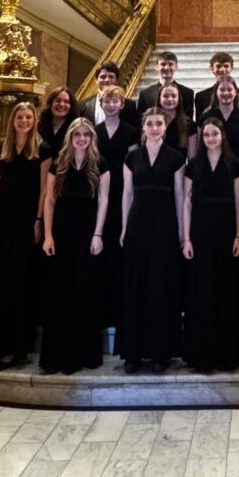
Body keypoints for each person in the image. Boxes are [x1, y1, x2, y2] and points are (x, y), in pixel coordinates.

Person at [0, 102, 51, 370]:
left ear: (34, 120)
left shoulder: (43, 149)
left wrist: (38, 220)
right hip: (1, 219)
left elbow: (43, 190)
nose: (24, 121)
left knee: (19, 283)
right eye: (20, 117)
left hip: (26, 220)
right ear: (13, 120)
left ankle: (15, 348)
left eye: (28, 117)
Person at [117, 109, 186, 373]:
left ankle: (161, 353)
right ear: (143, 128)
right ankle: (133, 353)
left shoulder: (176, 158)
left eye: (159, 124)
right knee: (136, 286)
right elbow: (126, 195)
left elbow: (180, 197)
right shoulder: (132, 157)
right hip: (137, 225)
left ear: (165, 128)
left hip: (165, 226)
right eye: (150, 124)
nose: (155, 127)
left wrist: (182, 231)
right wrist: (124, 227)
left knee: (160, 287)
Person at [40, 119, 109, 374]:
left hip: (88, 234)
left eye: (86, 135)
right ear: (70, 137)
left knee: (84, 291)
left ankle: (83, 354)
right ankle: (57, 355)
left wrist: (98, 234)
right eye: (77, 134)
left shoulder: (100, 164)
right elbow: (49, 201)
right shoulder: (59, 165)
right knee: (61, 291)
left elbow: (104, 201)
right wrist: (48, 235)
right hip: (62, 234)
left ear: (91, 138)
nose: (81, 138)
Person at [181, 118, 239, 372]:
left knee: (226, 290)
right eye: (206, 134)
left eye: (214, 134)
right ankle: (201, 355)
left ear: (222, 136)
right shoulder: (193, 166)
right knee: (202, 291)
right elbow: (186, 203)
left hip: (227, 232)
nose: (210, 138)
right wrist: (186, 238)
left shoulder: (235, 164)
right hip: (200, 233)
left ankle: (226, 355)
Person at [96, 85, 138, 326]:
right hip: (100, 190)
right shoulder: (95, 131)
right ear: (101, 104)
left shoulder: (131, 132)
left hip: (123, 189)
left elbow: (131, 164)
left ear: (122, 105)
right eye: (107, 101)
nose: (111, 105)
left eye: (115, 101)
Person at [197, 76, 239, 164]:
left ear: (236, 92)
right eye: (222, 90)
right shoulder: (204, 118)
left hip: (238, 171)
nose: (226, 93)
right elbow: (200, 150)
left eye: (230, 89)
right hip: (210, 170)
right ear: (216, 92)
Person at [79, 60, 140, 131]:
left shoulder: (129, 106)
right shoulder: (82, 106)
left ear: (116, 81)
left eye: (111, 77)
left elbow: (135, 132)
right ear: (96, 80)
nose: (107, 80)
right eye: (103, 77)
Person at [138, 51, 195, 118]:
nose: (167, 68)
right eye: (163, 64)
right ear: (156, 67)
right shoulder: (145, 94)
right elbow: (141, 121)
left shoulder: (187, 93)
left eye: (170, 64)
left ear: (176, 67)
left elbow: (188, 122)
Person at [195, 51, 239, 117]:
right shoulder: (201, 97)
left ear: (231, 68)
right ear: (212, 68)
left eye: (226, 66)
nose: (222, 69)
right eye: (218, 66)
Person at [158, 83, 198, 159]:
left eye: (173, 96)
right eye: (165, 96)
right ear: (159, 99)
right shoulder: (152, 123)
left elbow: (192, 158)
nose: (170, 99)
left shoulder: (189, 125)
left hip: (180, 169)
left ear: (179, 99)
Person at [37, 86, 79, 158]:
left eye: (66, 101)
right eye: (58, 101)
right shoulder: (40, 125)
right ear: (51, 103)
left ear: (71, 105)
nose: (62, 104)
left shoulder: (76, 128)